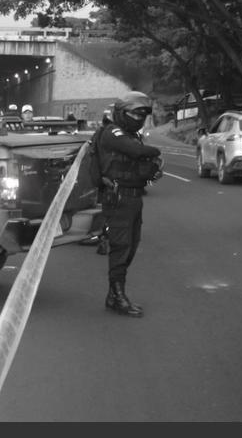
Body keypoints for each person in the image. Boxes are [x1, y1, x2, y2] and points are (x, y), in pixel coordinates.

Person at [92, 91, 162, 317]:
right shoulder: (112, 132)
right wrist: (153, 152)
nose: (140, 118)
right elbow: (137, 152)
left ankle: (115, 294)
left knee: (131, 246)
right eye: (136, 113)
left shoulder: (132, 135)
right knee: (121, 247)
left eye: (144, 114)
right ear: (122, 113)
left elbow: (141, 165)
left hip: (133, 197)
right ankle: (117, 295)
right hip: (118, 198)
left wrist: (150, 171)